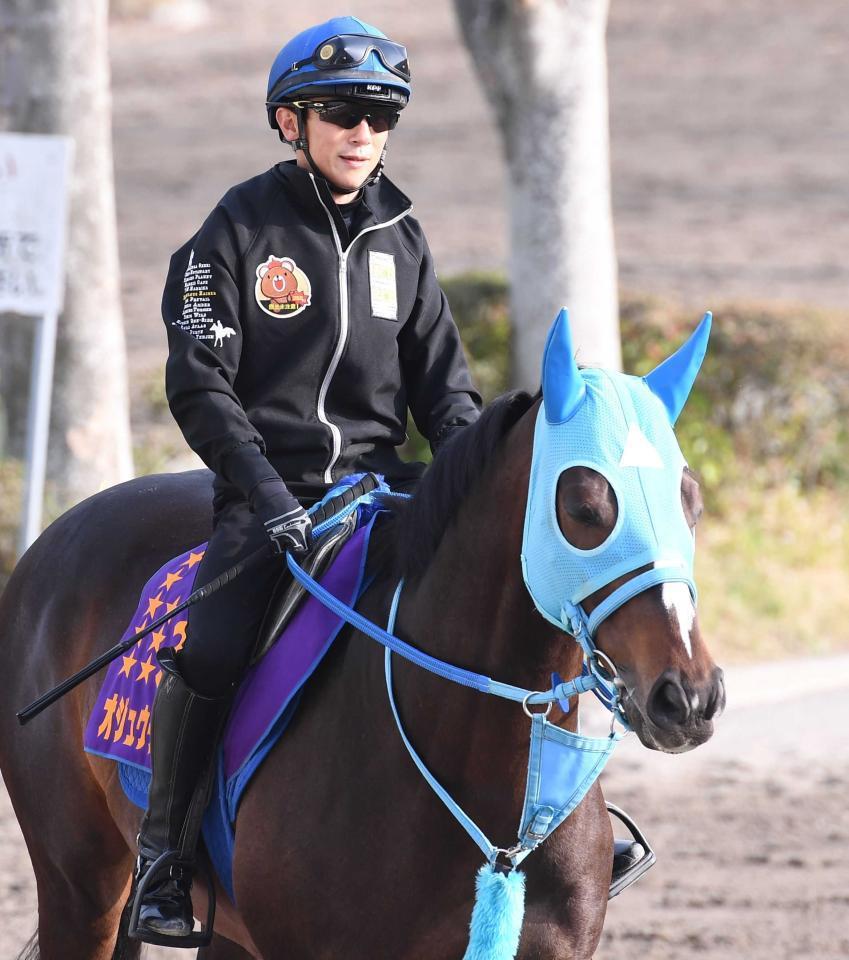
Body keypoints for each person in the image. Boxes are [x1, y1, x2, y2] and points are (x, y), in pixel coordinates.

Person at [131, 16, 481, 943]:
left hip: (382, 487)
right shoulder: (231, 234)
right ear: (291, 122)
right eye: (340, 111)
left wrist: (476, 483)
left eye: (380, 114)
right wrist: (271, 500)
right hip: (269, 497)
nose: (362, 130)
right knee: (211, 648)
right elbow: (198, 385)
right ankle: (163, 861)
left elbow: (446, 392)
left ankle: (531, 831)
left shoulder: (402, 235)